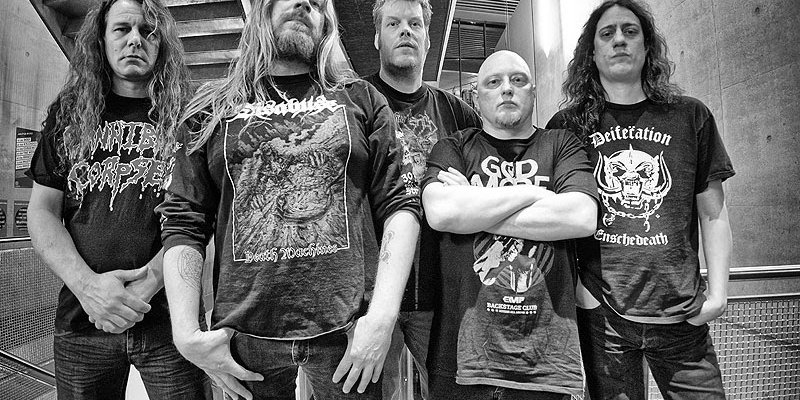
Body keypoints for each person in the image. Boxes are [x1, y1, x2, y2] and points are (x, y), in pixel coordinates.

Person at [156, 0, 421, 399]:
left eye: (317, 3)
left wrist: (382, 317)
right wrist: (185, 333)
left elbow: (401, 204)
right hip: (244, 336)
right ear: (262, 9)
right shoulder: (211, 108)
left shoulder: (360, 98)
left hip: (348, 331)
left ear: (326, 23)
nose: (304, 4)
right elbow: (183, 219)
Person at [546, 1, 735, 398]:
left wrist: (718, 294)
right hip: (603, 317)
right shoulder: (567, 126)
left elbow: (713, 211)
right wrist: (579, 291)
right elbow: (555, 217)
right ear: (591, 52)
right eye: (607, 33)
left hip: (682, 314)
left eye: (630, 31)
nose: (619, 40)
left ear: (647, 46)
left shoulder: (691, 117)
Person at [26, 0, 209, 399]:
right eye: (122, 29)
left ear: (162, 43)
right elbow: (42, 211)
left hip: (171, 320)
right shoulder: (70, 113)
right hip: (83, 319)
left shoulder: (191, 116)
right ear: (102, 40)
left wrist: (151, 282)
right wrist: (87, 287)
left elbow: (203, 217)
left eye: (148, 31)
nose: (135, 40)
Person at [420, 50, 598, 399]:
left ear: (533, 92)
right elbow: (442, 213)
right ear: (476, 97)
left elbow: (580, 216)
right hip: (463, 358)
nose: (506, 89)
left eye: (518, 80)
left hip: (545, 361)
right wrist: (535, 193)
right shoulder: (454, 147)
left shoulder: (560, 144)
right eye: (493, 82)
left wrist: (475, 203)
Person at [364, 0, 481, 398]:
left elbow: (486, 190)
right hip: (370, 295)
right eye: (393, 23)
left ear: (429, 39)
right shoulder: (354, 103)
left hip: (442, 292)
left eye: (415, 24)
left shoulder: (460, 115)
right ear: (376, 37)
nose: (406, 31)